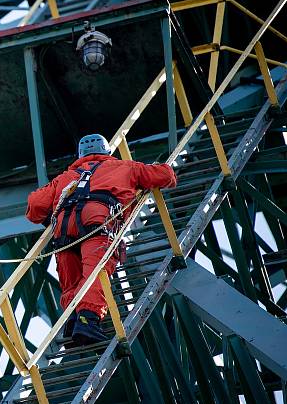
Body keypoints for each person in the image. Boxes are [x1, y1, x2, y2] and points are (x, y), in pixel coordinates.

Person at [25, 134, 176, 345]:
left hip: (63, 225)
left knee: (71, 278)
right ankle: (88, 319)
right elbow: (165, 176)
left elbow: (34, 206)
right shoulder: (126, 167)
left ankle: (73, 320)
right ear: (107, 151)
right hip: (98, 218)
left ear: (80, 155)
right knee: (96, 271)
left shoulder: (64, 177)